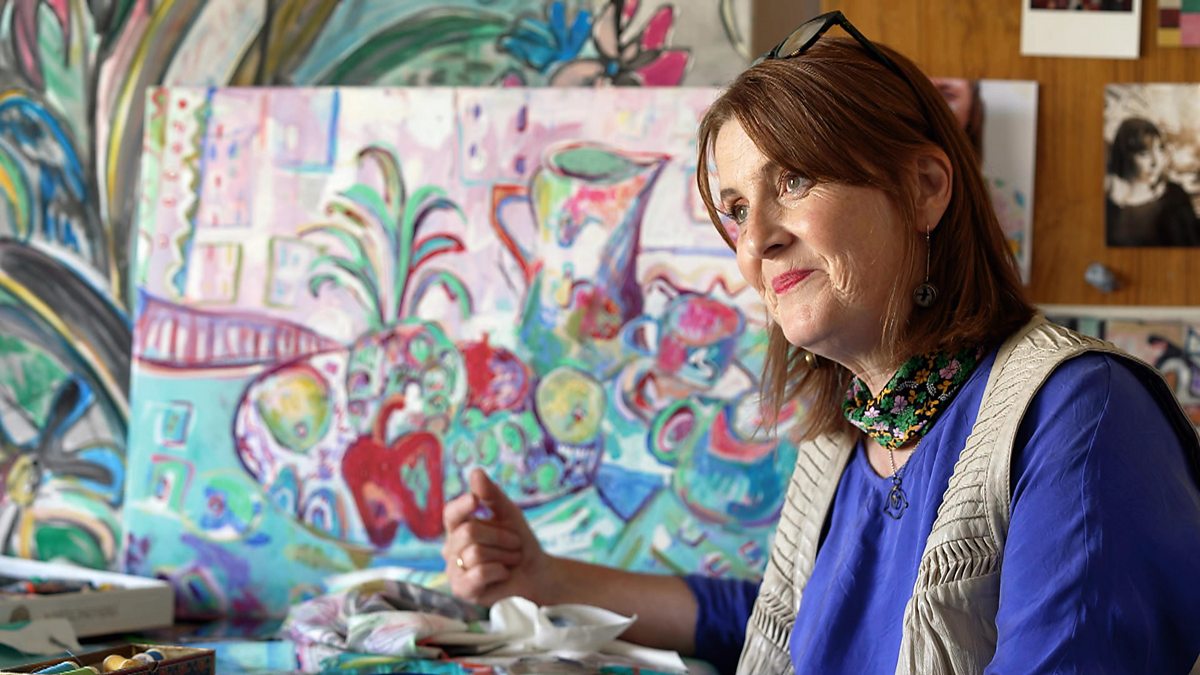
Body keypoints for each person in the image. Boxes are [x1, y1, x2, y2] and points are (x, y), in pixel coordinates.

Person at [442, 11, 1200, 674]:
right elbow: (793, 627)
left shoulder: (1080, 411)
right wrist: (542, 578)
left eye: (795, 180)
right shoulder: (845, 437)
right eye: (737, 209)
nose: (756, 242)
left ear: (925, 188)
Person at [1106, 116, 1200, 247]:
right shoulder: (1109, 208)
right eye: (1144, 154)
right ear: (1126, 157)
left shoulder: (1175, 196)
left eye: (1159, 150)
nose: (1155, 162)